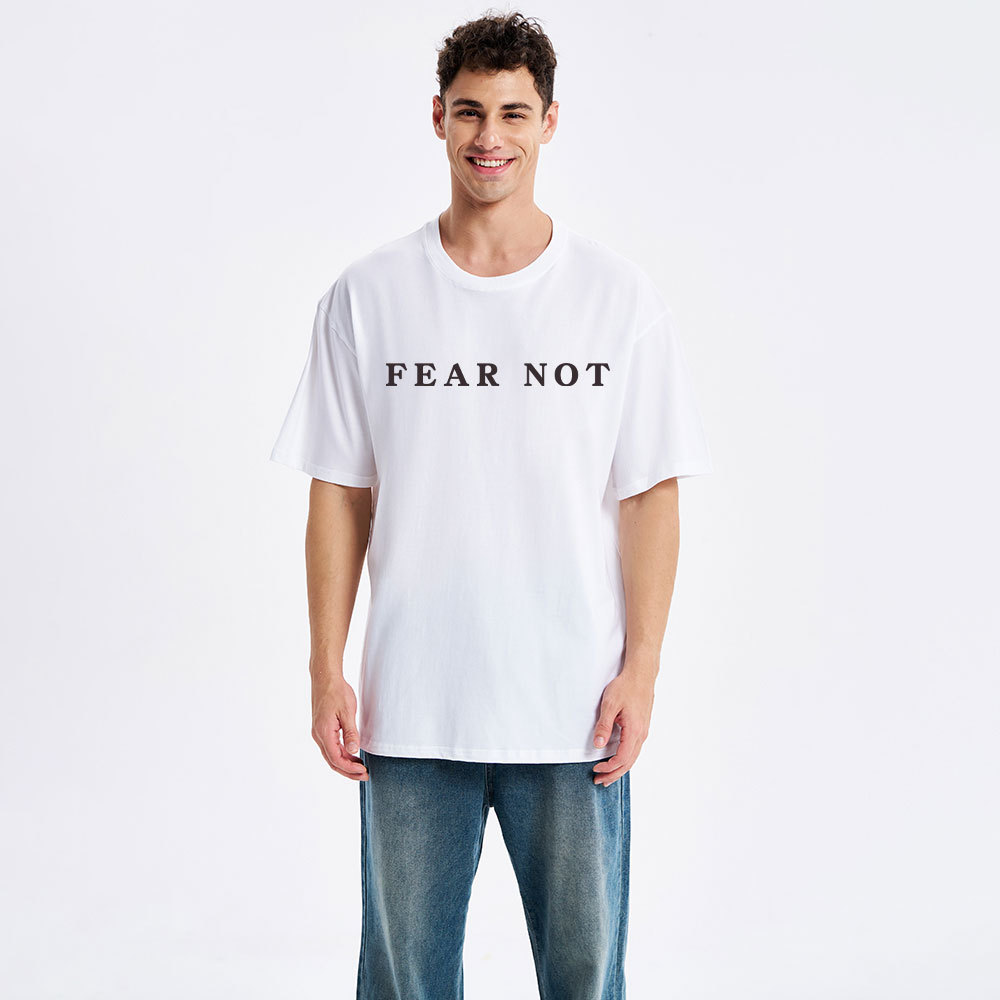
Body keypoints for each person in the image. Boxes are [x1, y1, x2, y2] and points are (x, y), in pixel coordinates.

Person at [269, 11, 713, 999]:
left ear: (550, 121)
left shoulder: (617, 299)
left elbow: (650, 495)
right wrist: (325, 666)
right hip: (412, 705)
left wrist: (642, 669)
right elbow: (339, 492)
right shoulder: (368, 295)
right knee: (404, 982)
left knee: (586, 977)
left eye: (513, 112)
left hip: (573, 707)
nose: (489, 136)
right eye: (469, 111)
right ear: (437, 117)